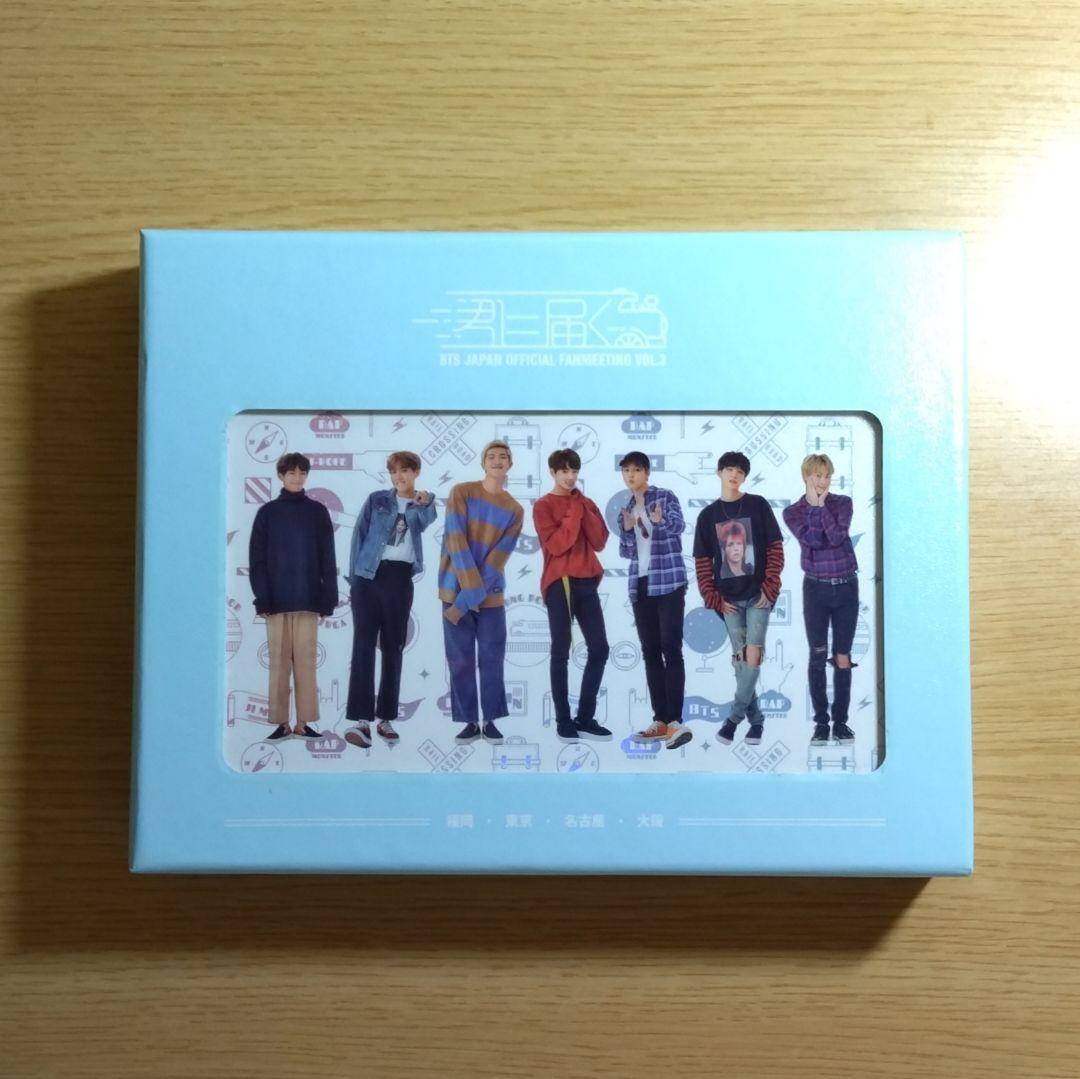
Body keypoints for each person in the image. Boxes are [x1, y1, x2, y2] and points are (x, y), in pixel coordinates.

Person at [343, 451, 437, 749]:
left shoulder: (423, 504)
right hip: (367, 576)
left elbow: (425, 521)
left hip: (399, 578)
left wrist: (424, 500)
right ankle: (361, 721)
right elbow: (358, 536)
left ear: (416, 472)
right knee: (363, 645)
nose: (399, 477)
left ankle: (385, 718)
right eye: (395, 471)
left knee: (393, 646)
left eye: (405, 471)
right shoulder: (376, 500)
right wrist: (354, 579)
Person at [693, 450, 784, 746]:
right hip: (728, 601)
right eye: (729, 469)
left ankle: (732, 720)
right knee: (740, 662)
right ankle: (756, 722)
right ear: (719, 472)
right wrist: (713, 597)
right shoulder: (708, 516)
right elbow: (702, 562)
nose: (734, 475)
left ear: (745, 477)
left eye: (740, 471)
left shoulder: (757, 505)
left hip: (758, 596)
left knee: (753, 654)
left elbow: (775, 547)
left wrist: (769, 587)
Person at [438, 440, 524, 744]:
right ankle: (469, 722)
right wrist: (465, 595)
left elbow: (497, 559)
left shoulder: (515, 510)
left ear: (510, 464)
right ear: (483, 462)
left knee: (492, 658)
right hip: (453, 589)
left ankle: (491, 721)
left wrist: (466, 601)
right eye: (491, 456)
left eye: (503, 457)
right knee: (459, 660)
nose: (497, 461)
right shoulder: (462, 492)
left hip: (490, 595)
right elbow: (455, 540)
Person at [248, 452, 338, 741]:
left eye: (302, 473)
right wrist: (262, 598)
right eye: (291, 473)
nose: (297, 478)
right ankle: (281, 723)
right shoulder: (267, 513)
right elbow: (257, 559)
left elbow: (328, 557)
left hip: (308, 599)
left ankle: (303, 722)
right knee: (278, 664)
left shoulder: (318, 512)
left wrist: (328, 598)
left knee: (306, 664)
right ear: (281, 476)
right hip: (275, 602)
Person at [533, 448, 611, 743]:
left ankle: (585, 718)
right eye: (564, 471)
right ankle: (563, 720)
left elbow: (599, 541)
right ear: (552, 472)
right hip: (559, 582)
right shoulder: (543, 506)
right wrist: (575, 510)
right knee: (561, 650)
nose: (570, 477)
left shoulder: (585, 502)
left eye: (574, 471)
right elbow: (557, 545)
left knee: (600, 648)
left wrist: (582, 507)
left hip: (587, 580)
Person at [782, 453, 859, 747]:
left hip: (846, 587)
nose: (823, 481)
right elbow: (813, 541)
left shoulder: (843, 503)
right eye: (817, 475)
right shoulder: (793, 512)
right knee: (817, 655)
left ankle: (840, 723)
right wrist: (814, 508)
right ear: (806, 476)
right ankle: (821, 724)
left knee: (842, 656)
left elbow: (837, 537)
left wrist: (821, 506)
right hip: (815, 589)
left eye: (827, 476)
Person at [618, 451, 691, 750]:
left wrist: (659, 521)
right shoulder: (626, 508)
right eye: (626, 471)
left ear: (647, 472)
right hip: (641, 585)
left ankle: (675, 721)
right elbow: (626, 552)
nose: (631, 475)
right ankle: (660, 719)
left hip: (669, 581)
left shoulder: (665, 496)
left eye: (636, 470)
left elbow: (679, 526)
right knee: (650, 652)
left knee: (671, 649)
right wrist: (626, 530)